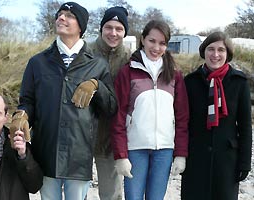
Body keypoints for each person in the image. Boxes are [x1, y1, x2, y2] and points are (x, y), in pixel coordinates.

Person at [10, 2, 117, 200]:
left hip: (79, 156)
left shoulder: (98, 64)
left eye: (69, 15)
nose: (61, 18)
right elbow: (27, 100)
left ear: (81, 26)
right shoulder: (37, 62)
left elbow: (111, 107)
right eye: (60, 14)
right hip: (46, 152)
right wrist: (22, 114)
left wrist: (97, 86)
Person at [111, 20, 189, 200]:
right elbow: (118, 116)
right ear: (143, 40)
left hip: (165, 150)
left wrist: (180, 154)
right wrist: (121, 155)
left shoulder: (175, 74)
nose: (156, 47)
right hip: (135, 149)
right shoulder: (128, 71)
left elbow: (182, 117)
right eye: (152, 41)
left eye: (162, 43)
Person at [181, 31, 252, 200]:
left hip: (227, 161)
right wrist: (180, 155)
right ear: (203, 52)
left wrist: (245, 162)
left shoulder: (239, 83)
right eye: (211, 49)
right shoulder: (190, 82)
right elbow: (182, 123)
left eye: (221, 50)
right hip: (195, 159)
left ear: (227, 54)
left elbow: (245, 126)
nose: (215, 54)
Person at [88, 6, 131, 200]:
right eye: (108, 27)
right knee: (77, 192)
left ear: (125, 32)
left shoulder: (130, 59)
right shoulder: (85, 52)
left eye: (119, 29)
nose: (113, 33)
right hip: (83, 134)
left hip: (111, 137)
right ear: (101, 28)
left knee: (112, 194)